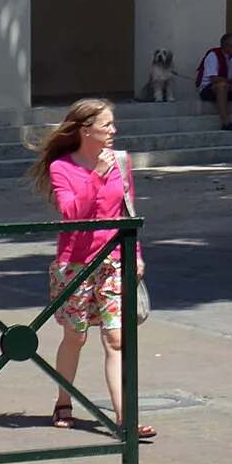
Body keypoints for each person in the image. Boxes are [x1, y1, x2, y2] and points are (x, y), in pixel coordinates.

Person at [33, 97, 153, 441]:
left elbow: (127, 212)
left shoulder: (120, 162)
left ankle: (124, 418)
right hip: (75, 264)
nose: (113, 131)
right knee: (76, 336)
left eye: (113, 124)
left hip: (114, 259)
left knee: (116, 339)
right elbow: (72, 216)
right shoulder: (62, 167)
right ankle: (63, 401)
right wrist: (96, 176)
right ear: (86, 130)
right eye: (107, 125)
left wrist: (137, 253)